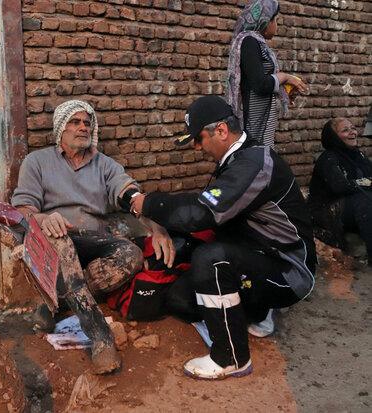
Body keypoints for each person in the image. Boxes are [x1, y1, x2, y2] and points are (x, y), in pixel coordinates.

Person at [130, 95, 316, 379]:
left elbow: (202, 211)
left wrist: (150, 204)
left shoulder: (254, 163)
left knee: (210, 259)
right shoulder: (240, 160)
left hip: (288, 271)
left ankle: (230, 356)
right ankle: (257, 311)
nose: (196, 146)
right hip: (258, 257)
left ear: (220, 131)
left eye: (199, 138)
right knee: (180, 298)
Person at [11, 100, 167, 374]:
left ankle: (54, 304)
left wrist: (155, 226)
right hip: (54, 240)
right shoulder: (37, 162)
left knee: (130, 254)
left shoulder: (104, 164)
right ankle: (99, 335)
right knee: (61, 241)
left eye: (87, 123)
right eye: (75, 122)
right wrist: (46, 218)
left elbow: (126, 189)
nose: (83, 127)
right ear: (60, 128)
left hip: (94, 239)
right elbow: (22, 210)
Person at [225, 0, 308, 148]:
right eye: (276, 21)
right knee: (255, 157)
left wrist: (284, 89)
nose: (277, 25)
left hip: (260, 118)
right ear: (265, 21)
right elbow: (260, 84)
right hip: (253, 119)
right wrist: (285, 77)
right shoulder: (249, 41)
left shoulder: (256, 43)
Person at [309, 119, 372, 265]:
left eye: (353, 128)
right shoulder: (328, 158)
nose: (352, 132)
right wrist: (367, 182)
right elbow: (341, 187)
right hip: (329, 211)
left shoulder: (358, 155)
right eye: (345, 130)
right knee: (366, 201)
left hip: (352, 208)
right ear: (333, 137)